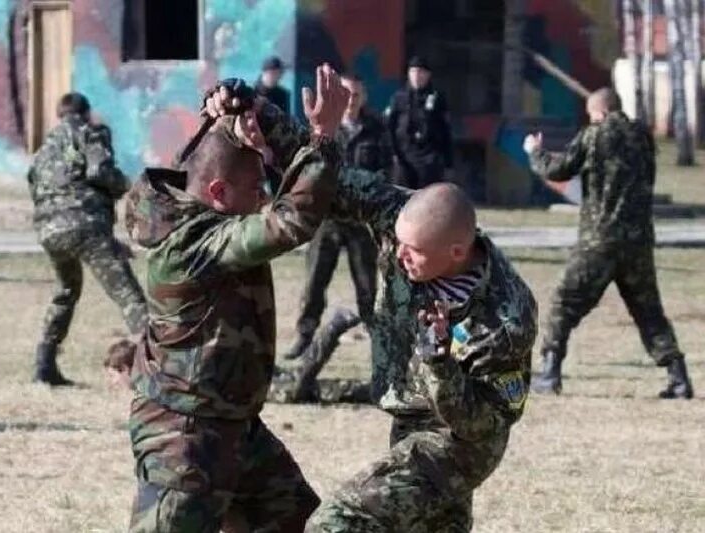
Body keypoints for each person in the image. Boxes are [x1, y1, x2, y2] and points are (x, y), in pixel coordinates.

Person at [212, 82, 536, 533]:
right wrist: (256, 110)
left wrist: (440, 361)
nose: (401, 258)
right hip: (408, 418)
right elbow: (330, 181)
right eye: (398, 245)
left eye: (415, 253)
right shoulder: (404, 215)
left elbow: (483, 425)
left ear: (458, 252)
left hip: (458, 441)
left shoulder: (505, 317)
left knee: (336, 522)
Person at [125, 66, 348, 532]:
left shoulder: (209, 216)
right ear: (218, 193)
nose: (264, 194)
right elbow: (291, 222)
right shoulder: (190, 243)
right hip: (183, 435)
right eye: (256, 188)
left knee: (296, 519)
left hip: (233, 426)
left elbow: (254, 184)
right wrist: (322, 139)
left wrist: (245, 123)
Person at [524, 87, 694, 399]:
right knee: (649, 311)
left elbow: (557, 170)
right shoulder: (643, 138)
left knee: (564, 302)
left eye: (592, 115)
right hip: (638, 242)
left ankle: (549, 373)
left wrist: (535, 151)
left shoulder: (593, 136)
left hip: (599, 240)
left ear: (599, 113)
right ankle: (679, 377)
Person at [27, 92, 148, 386]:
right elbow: (99, 171)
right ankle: (155, 369)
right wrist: (130, 186)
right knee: (128, 296)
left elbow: (35, 186)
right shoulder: (90, 133)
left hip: (49, 231)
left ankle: (44, 365)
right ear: (87, 113)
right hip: (85, 224)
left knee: (66, 290)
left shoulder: (44, 149)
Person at [284, 72, 392, 361]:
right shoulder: (323, 130)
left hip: (360, 220)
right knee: (314, 283)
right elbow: (308, 168)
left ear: (364, 97)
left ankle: (380, 347)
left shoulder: (377, 129)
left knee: (368, 288)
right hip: (327, 220)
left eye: (356, 95)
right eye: (346, 95)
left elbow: (386, 171)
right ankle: (304, 337)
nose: (351, 100)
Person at [386, 55, 454, 189]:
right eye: (413, 72)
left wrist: (448, 163)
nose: (417, 76)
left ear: (428, 75)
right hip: (404, 159)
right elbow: (390, 128)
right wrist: (394, 154)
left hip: (429, 160)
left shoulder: (437, 99)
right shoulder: (399, 98)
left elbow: (446, 131)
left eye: (421, 72)